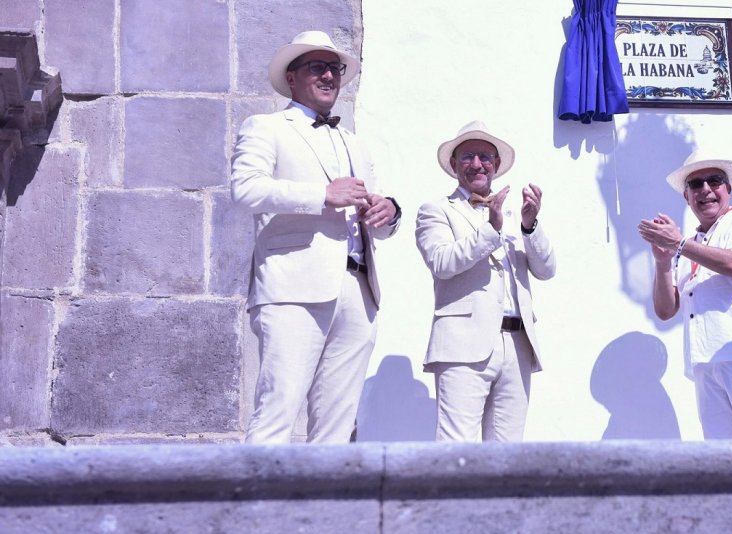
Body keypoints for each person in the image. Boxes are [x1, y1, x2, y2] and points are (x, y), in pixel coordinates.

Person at [231, 30, 401, 443]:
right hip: (294, 285)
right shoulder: (267, 127)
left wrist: (389, 212)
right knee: (278, 410)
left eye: (335, 68)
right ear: (292, 78)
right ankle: (255, 507)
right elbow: (244, 189)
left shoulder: (354, 143)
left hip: (358, 288)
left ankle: (323, 509)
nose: (329, 75)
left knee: (337, 426)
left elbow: (374, 210)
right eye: (317, 67)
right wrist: (320, 195)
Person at [415, 121, 557, 441]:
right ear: (453, 165)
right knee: (456, 448)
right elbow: (442, 262)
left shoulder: (514, 215)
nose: (477, 164)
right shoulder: (436, 210)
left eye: (484, 156)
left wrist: (530, 226)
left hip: (517, 343)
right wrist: (491, 229)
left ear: (496, 165)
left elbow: (547, 270)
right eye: (467, 157)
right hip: (462, 343)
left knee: (506, 455)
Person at [637, 150, 732, 440]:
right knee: (722, 458)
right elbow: (666, 311)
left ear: (728, 189)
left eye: (714, 181)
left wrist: (678, 244)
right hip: (704, 363)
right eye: (695, 185)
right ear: (687, 197)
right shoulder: (689, 244)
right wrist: (663, 262)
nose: (705, 190)